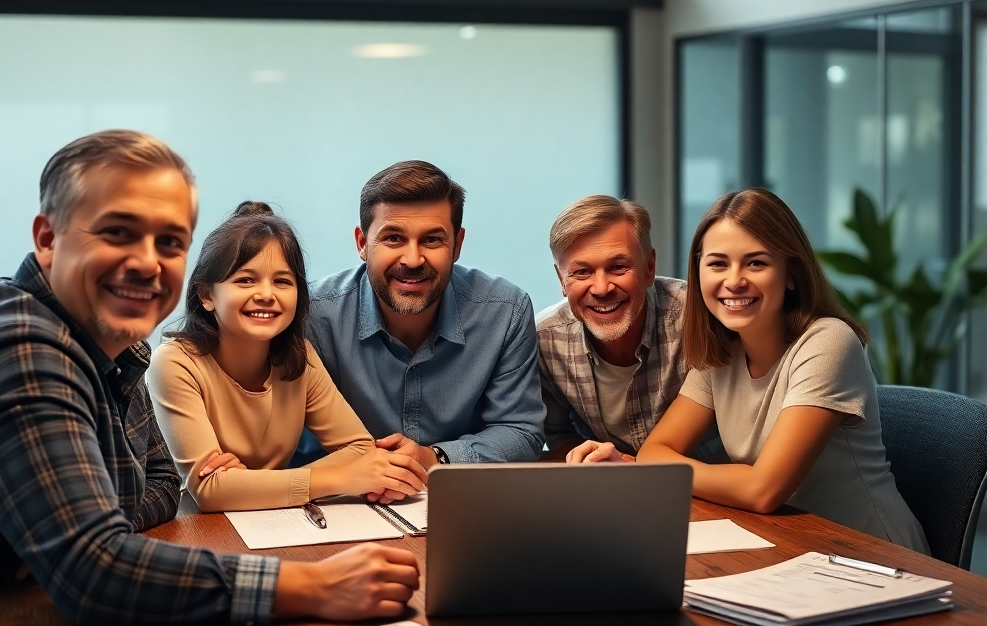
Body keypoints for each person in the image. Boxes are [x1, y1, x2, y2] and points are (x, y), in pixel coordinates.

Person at [0, 131, 419, 626]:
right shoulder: (22, 346)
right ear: (48, 239)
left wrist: (90, 526)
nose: (148, 261)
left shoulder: (114, 346)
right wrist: (314, 583)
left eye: (169, 241)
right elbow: (95, 570)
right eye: (117, 232)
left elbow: (154, 484)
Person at [568, 187, 928, 552]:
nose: (734, 280)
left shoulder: (828, 342)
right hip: (785, 546)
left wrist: (668, 472)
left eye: (756, 263)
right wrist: (658, 466)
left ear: (790, 273)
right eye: (718, 263)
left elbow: (763, 490)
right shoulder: (722, 352)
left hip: (873, 556)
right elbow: (654, 451)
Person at [146, 202, 427, 512]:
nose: (267, 294)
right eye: (245, 280)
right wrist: (343, 479)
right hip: (197, 532)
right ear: (207, 295)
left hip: (277, 523)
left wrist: (247, 485)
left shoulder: (298, 356)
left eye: (282, 281)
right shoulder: (173, 363)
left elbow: (359, 448)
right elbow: (210, 492)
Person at [308, 160, 545, 468]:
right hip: (340, 501)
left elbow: (521, 430)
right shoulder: (313, 314)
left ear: (457, 245)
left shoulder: (505, 311)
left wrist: (436, 457)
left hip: (458, 498)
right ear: (363, 243)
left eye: (432, 239)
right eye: (393, 238)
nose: (413, 259)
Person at [537, 195, 724, 461]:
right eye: (582, 272)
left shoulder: (700, 317)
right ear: (561, 279)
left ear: (649, 267)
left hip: (709, 490)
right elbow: (558, 434)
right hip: (611, 490)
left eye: (618, 267)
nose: (601, 288)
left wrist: (628, 468)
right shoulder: (545, 341)